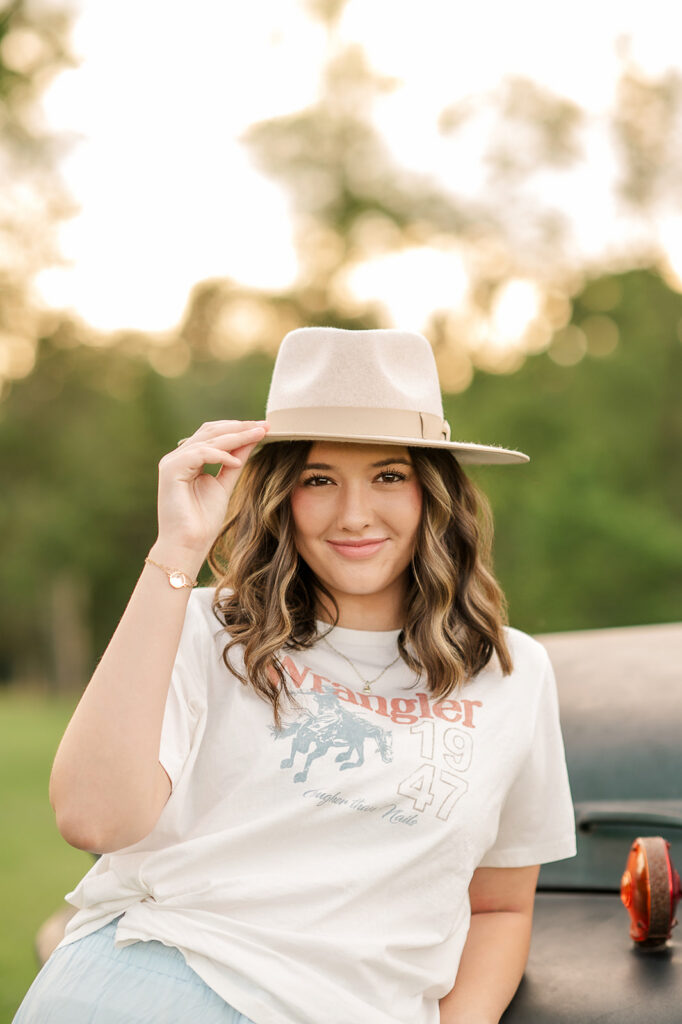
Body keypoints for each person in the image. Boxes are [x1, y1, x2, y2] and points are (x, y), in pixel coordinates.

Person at [14, 327, 576, 1024]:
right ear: (282, 494)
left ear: (435, 494)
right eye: (319, 479)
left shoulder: (512, 673)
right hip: (155, 982)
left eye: (389, 475)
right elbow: (92, 817)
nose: (354, 515)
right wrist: (179, 547)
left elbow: (498, 905)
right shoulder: (203, 627)